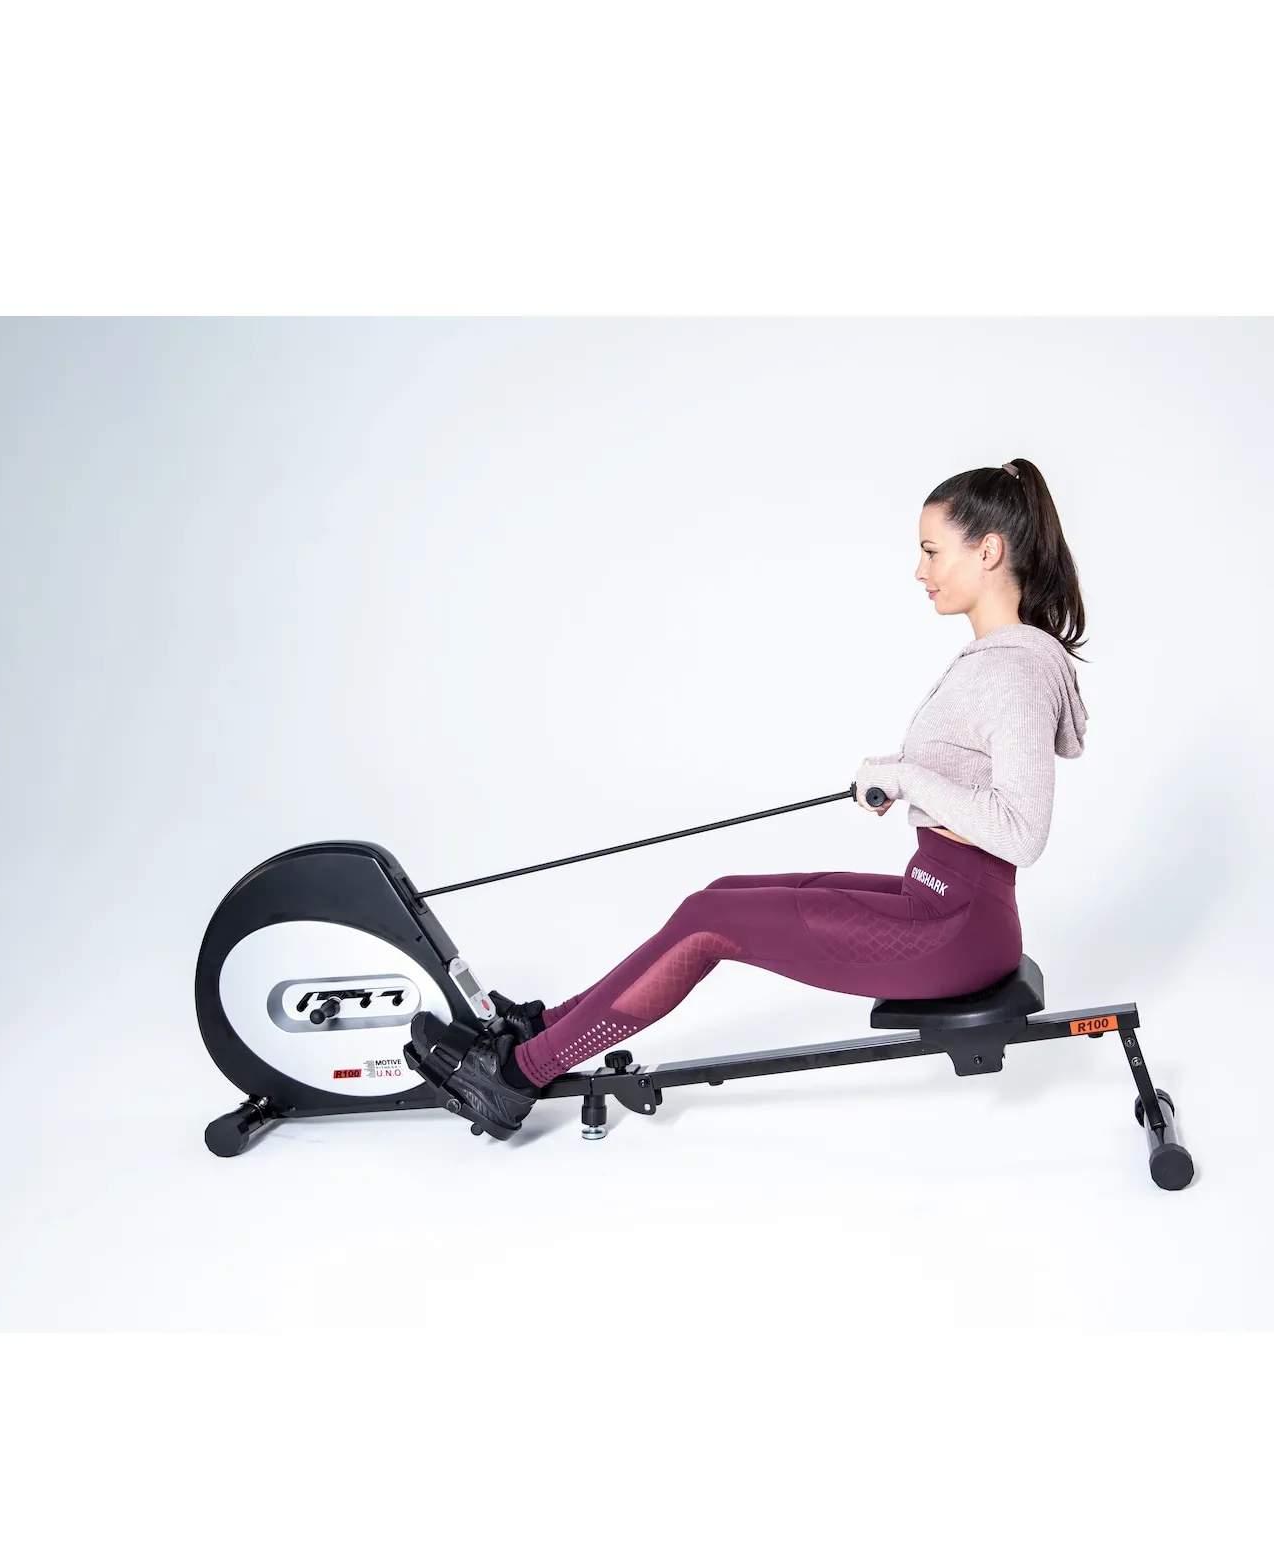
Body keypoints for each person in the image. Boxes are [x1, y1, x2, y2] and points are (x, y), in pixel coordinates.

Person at [413, 458, 1089, 1138]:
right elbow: (968, 777)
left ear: (988, 551)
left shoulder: (1015, 669)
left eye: (931, 550)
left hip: (955, 931)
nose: (920, 570)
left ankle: (513, 1077)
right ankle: (543, 1029)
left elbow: (1023, 831)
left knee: (709, 925)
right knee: (717, 896)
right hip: (938, 898)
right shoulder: (998, 659)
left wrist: (911, 779)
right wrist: (899, 771)